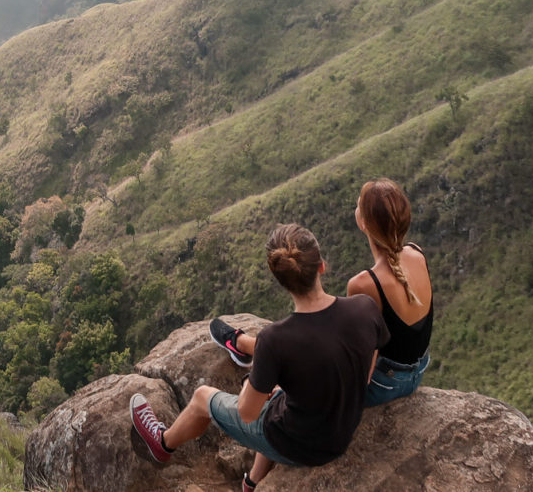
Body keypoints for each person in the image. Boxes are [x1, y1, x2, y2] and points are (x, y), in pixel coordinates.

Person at [130, 224, 387, 492]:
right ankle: (251, 483)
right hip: (342, 433)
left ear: (280, 280)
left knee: (202, 398)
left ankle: (163, 443)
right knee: (280, 397)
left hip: (300, 445)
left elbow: (247, 413)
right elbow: (364, 373)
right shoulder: (364, 308)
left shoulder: (275, 339)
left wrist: (248, 386)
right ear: (322, 266)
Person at [210, 178, 433, 407]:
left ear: (363, 223)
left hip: (385, 385)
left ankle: (245, 346)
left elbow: (362, 363)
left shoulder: (365, 284)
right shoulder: (417, 253)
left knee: (316, 352)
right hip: (417, 371)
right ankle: (245, 346)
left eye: (358, 205)